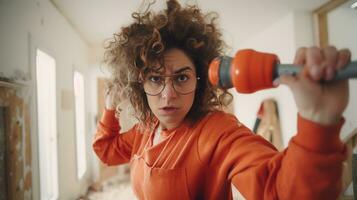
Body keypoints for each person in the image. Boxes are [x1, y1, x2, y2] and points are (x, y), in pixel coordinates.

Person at [93, 0, 351, 199]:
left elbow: (282, 191)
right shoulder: (145, 129)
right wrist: (108, 107)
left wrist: (317, 120)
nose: (168, 95)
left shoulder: (217, 132)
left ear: (199, 81)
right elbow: (106, 151)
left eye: (181, 78)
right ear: (140, 85)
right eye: (155, 79)